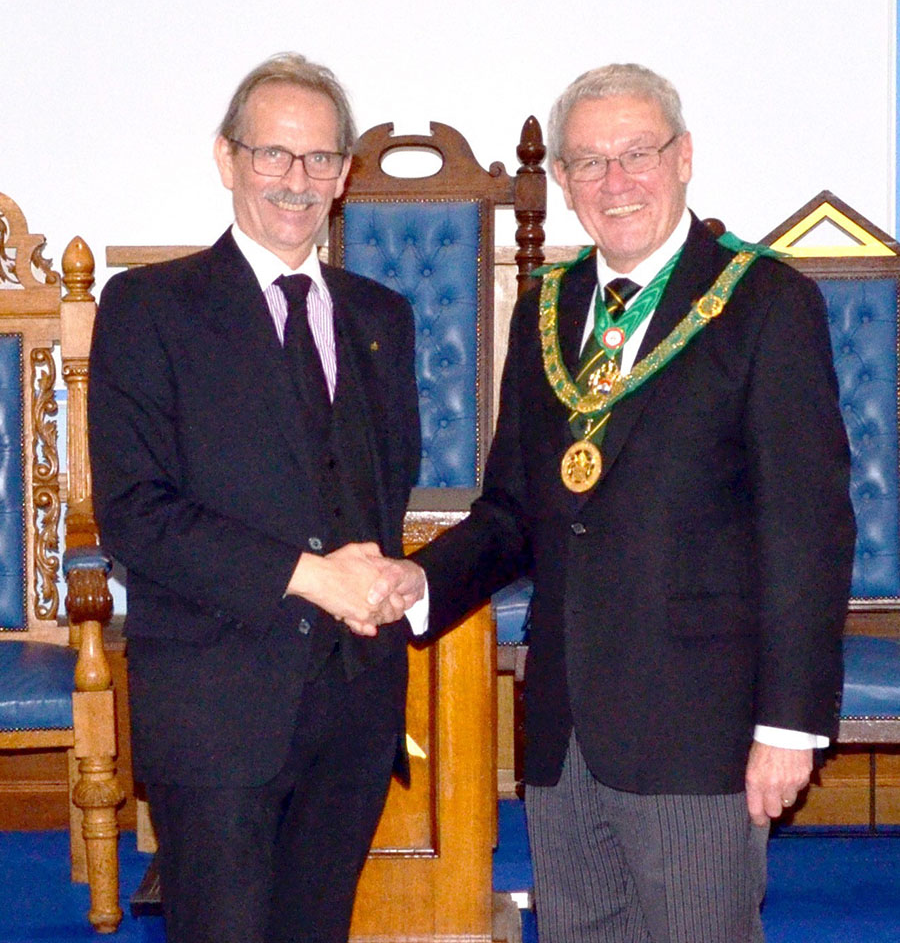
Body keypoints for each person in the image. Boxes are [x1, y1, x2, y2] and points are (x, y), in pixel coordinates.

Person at [380, 64, 856, 941]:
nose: (616, 181)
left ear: (683, 157)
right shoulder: (545, 309)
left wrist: (790, 725)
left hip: (700, 730)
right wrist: (421, 584)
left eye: (637, 153)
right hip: (564, 729)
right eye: (590, 162)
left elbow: (807, 529)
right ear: (563, 180)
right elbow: (514, 511)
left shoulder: (764, 303)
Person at [88, 53, 422, 943]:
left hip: (354, 706)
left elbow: (384, 489)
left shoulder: (382, 316)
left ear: (345, 174)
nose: (296, 179)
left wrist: (385, 580)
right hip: (217, 706)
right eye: (273, 153)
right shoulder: (149, 308)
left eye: (320, 158)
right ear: (226, 158)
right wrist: (312, 577)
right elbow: (135, 512)